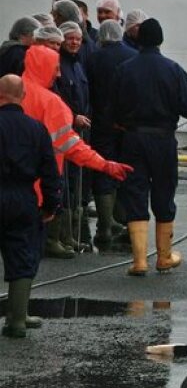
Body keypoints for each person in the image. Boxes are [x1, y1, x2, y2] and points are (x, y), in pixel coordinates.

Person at [20, 46, 132, 260]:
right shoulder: (52, 104)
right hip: (40, 186)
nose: (59, 74)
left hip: (10, 184)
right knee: (25, 261)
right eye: (56, 68)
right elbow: (72, 146)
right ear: (44, 67)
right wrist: (106, 165)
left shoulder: (10, 92)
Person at [112, 19, 187, 276]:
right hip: (162, 139)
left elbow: (112, 108)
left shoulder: (124, 69)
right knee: (163, 192)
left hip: (133, 138)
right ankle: (164, 256)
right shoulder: (173, 70)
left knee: (135, 192)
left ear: (138, 40)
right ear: (160, 40)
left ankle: (139, 261)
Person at [0, 75, 63, 338]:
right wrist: (51, 206)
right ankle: (17, 319)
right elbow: (50, 172)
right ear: (23, 96)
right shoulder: (36, 129)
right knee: (23, 256)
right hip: (22, 197)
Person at [84, 20, 137, 249]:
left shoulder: (93, 58)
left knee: (104, 170)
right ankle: (123, 219)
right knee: (124, 169)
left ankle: (105, 226)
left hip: (100, 123)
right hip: (126, 125)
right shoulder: (133, 55)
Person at [55, 21, 93, 252]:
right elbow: (57, 100)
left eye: (78, 39)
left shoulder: (77, 65)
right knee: (65, 182)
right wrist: (73, 117)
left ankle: (70, 234)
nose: (75, 42)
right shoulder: (59, 65)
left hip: (78, 131)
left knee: (74, 183)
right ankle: (60, 235)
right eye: (70, 38)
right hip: (65, 130)